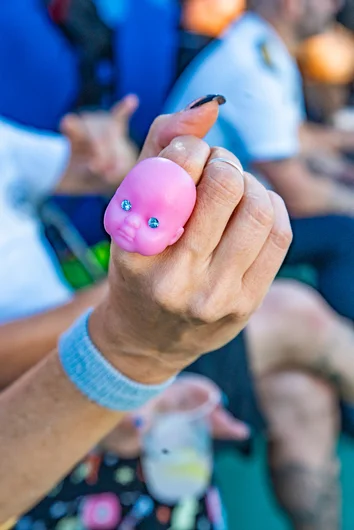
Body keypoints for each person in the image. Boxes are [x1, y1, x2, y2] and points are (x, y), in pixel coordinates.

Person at [0, 100, 292, 523]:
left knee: (302, 398)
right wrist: (126, 349)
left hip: (86, 377)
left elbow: (84, 167)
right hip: (48, 409)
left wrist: (108, 156)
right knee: (301, 318)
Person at [165, 0, 354, 322]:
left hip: (223, 214)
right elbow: (299, 196)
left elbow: (294, 137)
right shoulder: (251, 65)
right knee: (345, 235)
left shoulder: (260, 48)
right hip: (201, 236)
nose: (336, 6)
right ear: (292, 5)